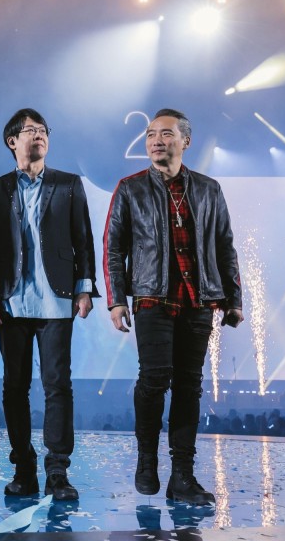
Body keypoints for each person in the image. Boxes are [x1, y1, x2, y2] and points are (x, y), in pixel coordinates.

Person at [103, 108, 243, 506]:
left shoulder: (209, 189)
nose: (155, 141)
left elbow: (225, 246)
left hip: (199, 300)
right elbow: (113, 248)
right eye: (150, 134)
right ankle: (147, 461)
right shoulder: (130, 188)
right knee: (153, 380)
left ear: (185, 141)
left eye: (165, 134)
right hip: (152, 297)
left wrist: (234, 299)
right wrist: (116, 300)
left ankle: (182, 476)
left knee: (188, 386)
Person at [0, 108, 98, 500]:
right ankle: (23, 468)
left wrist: (84, 290)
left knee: (57, 385)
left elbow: (83, 241)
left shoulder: (69, 184)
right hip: (11, 302)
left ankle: (58, 470)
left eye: (43, 130)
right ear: (12, 141)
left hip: (56, 301)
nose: (39, 135)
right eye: (30, 130)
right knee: (14, 387)